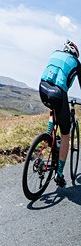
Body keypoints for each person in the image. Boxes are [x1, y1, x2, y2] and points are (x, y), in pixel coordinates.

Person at [40, 39, 81, 187]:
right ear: (75, 53)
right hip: (58, 92)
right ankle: (60, 174)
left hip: (43, 87)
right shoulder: (76, 62)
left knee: (53, 109)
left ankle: (48, 134)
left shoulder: (55, 53)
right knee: (65, 135)